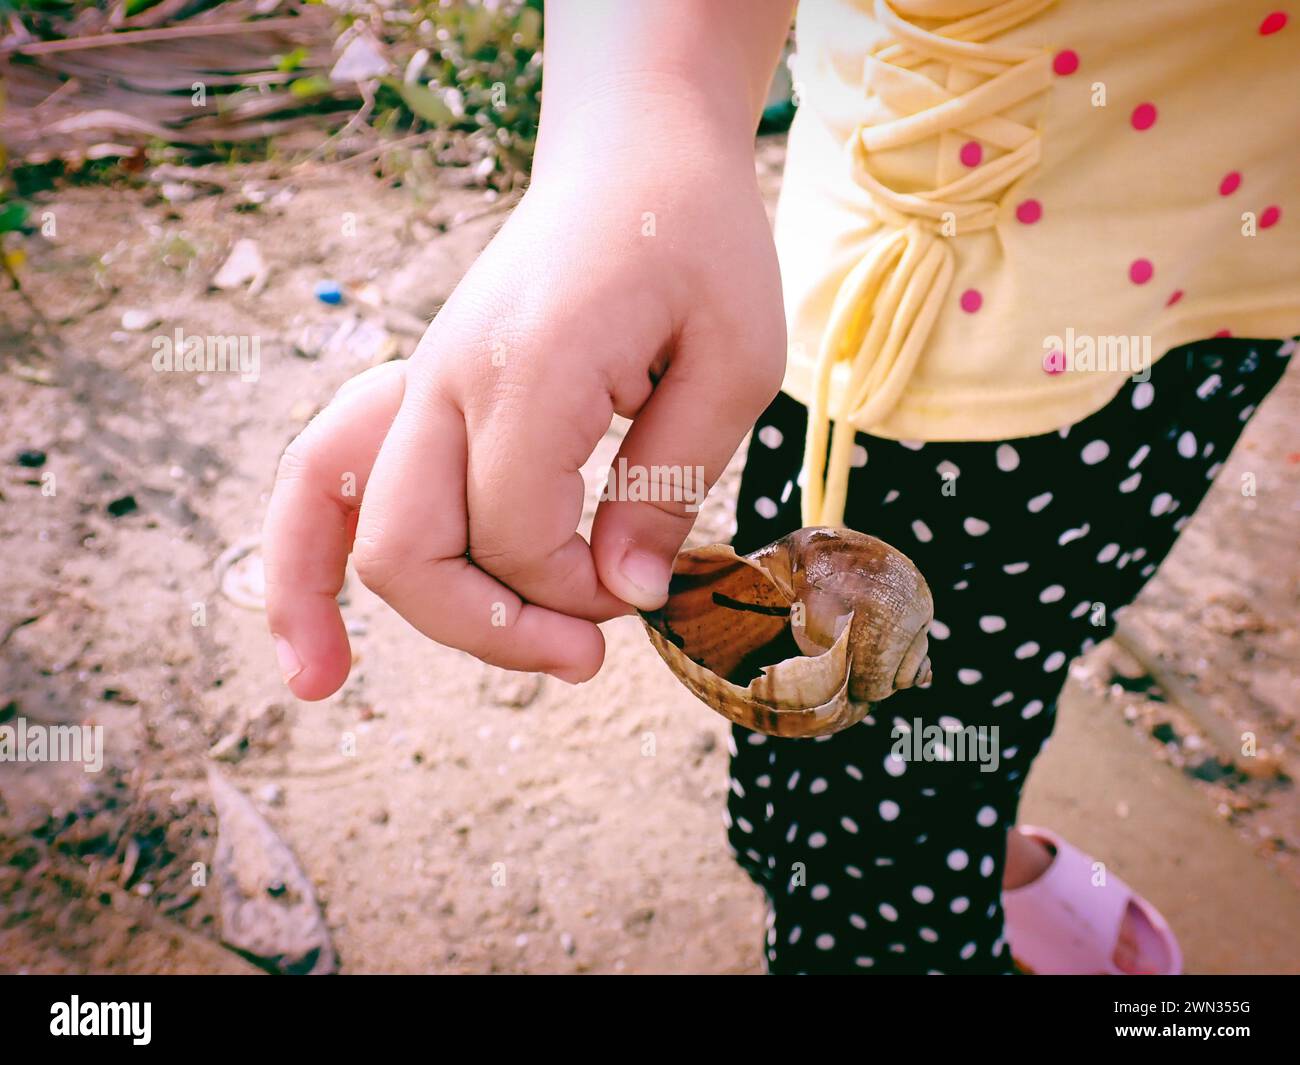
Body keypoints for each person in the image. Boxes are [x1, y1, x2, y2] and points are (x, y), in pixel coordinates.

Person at [260, 0, 1298, 974]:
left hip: (1230, 297)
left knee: (1021, 657)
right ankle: (902, 886)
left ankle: (930, 830)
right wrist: (640, 116)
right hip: (942, 364)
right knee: (889, 764)